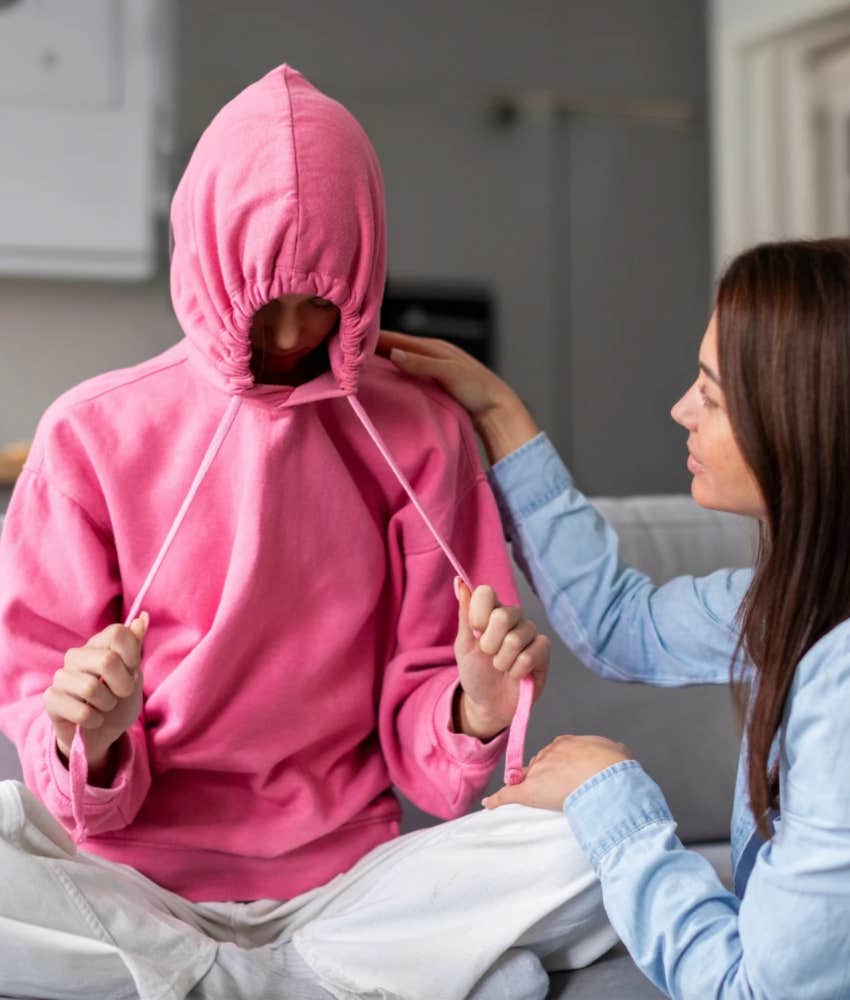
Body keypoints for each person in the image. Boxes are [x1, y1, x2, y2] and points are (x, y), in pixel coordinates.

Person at [0, 66, 616, 1000]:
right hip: (128, 877)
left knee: (602, 835)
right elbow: (38, 701)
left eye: (319, 298)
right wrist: (97, 739)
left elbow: (435, 761)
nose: (290, 333)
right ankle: (273, 974)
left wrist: (475, 711)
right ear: (204, 258)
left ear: (364, 272)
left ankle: (241, 976)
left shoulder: (421, 431)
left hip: (343, 884)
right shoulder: (87, 433)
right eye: (262, 298)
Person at [381, 237, 850, 999]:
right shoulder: (803, 601)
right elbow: (622, 623)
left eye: (714, 393)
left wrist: (610, 791)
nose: (681, 410)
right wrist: (500, 413)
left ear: (804, 425)